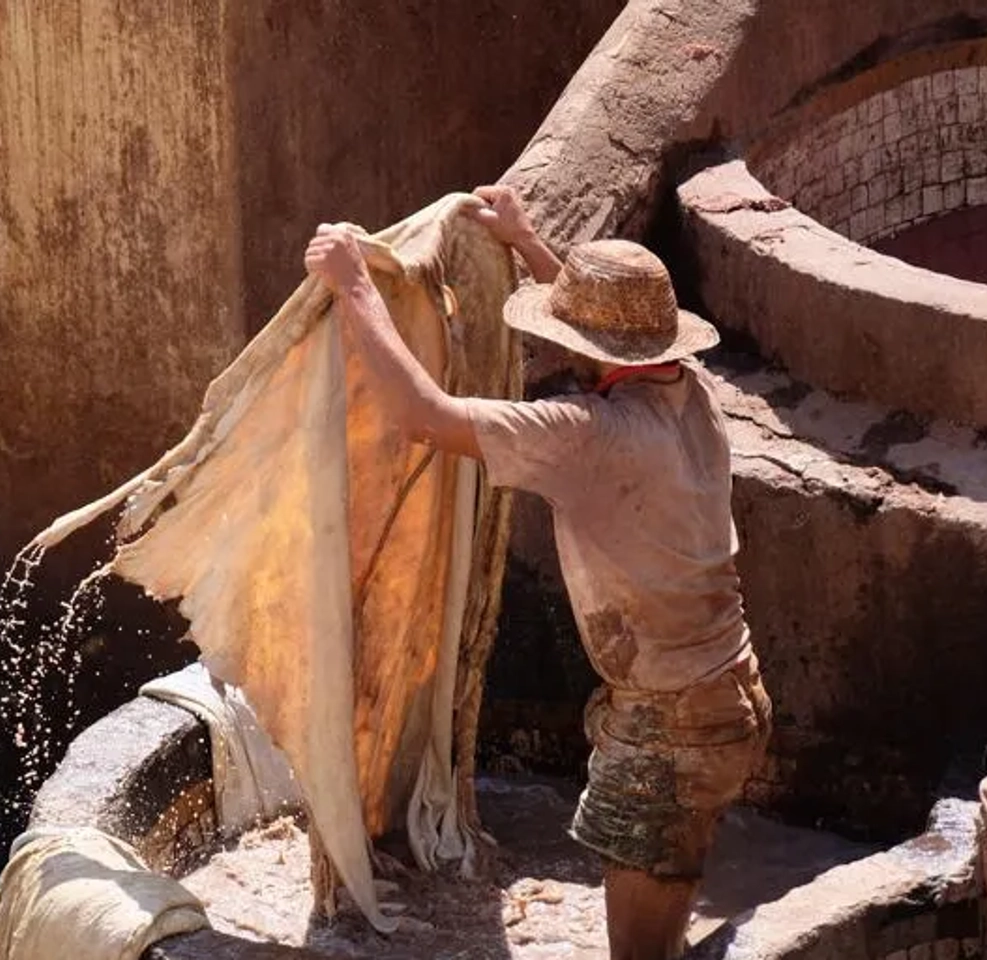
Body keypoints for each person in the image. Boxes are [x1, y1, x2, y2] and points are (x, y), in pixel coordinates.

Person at [304, 185, 772, 960]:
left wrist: (354, 284)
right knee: (670, 892)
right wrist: (525, 241)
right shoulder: (694, 396)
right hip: (730, 695)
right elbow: (608, 344)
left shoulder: (590, 434)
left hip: (671, 728)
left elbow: (424, 416)